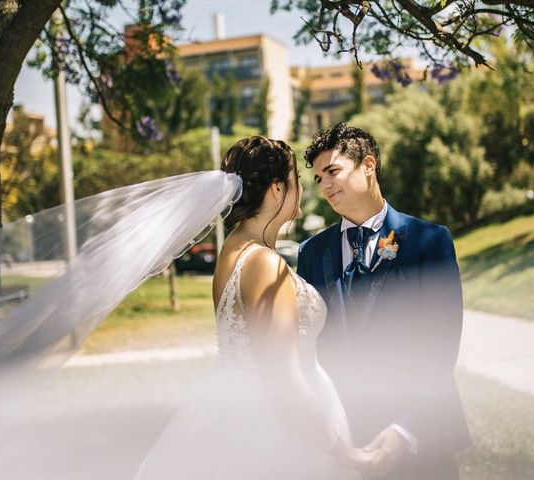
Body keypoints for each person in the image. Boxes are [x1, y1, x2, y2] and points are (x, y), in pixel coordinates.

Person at [135, 136, 374, 479]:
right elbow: (283, 378)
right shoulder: (264, 263)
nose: (302, 191)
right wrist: (340, 451)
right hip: (274, 428)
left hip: (235, 409)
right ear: (277, 190)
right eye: (296, 182)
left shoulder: (233, 250)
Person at [296, 124, 471, 480]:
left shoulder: (429, 241)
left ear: (369, 165)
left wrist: (404, 430)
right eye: (318, 179)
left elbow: (440, 348)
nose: (325, 187)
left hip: (423, 438)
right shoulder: (312, 253)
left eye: (333, 171)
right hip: (349, 440)